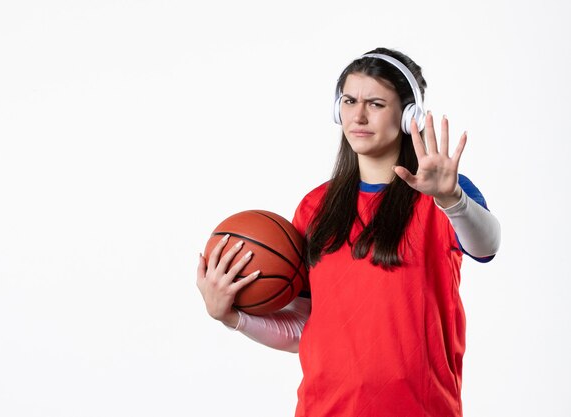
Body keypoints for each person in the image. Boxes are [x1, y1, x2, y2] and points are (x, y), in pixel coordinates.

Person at [196, 47, 501, 417]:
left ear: (409, 117)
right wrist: (233, 318)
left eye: (375, 103)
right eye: (349, 100)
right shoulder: (314, 207)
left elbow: (487, 246)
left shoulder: (442, 194)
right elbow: (303, 328)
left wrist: (452, 199)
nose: (358, 115)